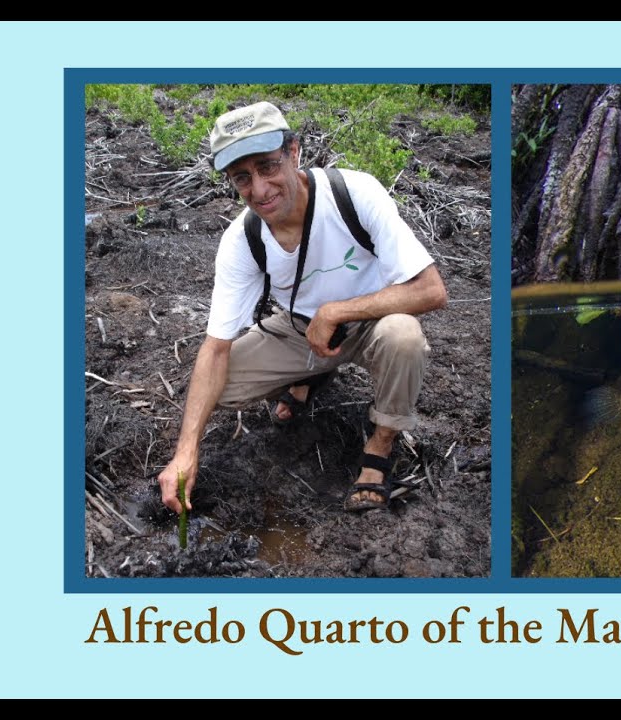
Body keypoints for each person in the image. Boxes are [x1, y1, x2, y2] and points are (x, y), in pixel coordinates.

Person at [157, 101, 447, 515]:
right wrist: (186, 452)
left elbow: (431, 290)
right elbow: (215, 347)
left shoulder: (353, 193)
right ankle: (313, 375)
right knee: (223, 386)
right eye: (243, 177)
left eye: (268, 167)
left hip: (374, 322)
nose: (259, 190)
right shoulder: (242, 240)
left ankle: (380, 445)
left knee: (404, 337)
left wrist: (337, 312)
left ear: (294, 152)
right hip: (301, 329)